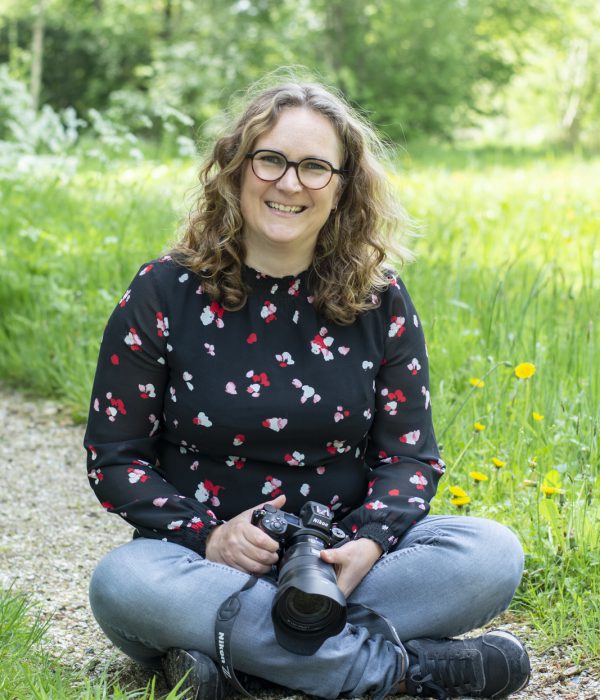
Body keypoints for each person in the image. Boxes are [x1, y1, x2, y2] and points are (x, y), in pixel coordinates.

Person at [84, 80, 530, 700]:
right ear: (236, 170)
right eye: (271, 159)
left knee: (491, 552)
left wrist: (370, 541)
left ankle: (244, 671)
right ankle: (401, 672)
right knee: (124, 583)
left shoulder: (381, 300)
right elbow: (116, 458)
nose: (289, 184)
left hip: (342, 574)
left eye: (315, 167)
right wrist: (206, 536)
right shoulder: (163, 292)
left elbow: (410, 458)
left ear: (344, 187)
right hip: (203, 573)